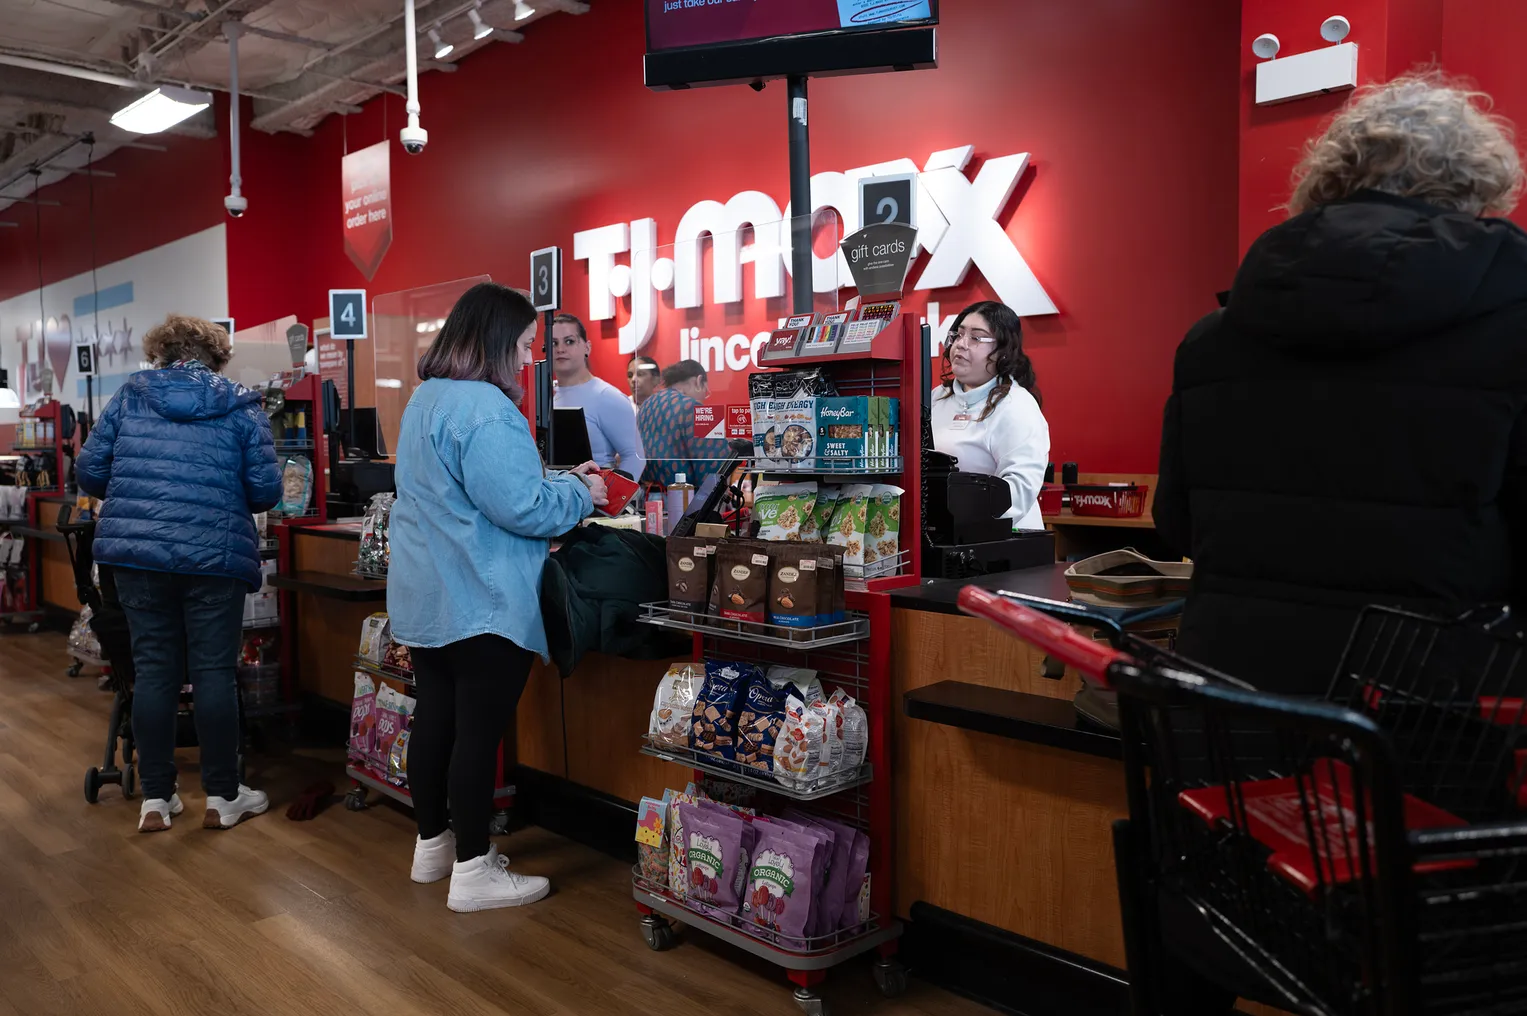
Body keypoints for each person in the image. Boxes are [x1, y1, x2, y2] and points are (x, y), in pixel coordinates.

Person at [1156, 73, 1527, 699]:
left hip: (1236, 704)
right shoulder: (1513, 330)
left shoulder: (1209, 342)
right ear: (1475, 184)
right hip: (1439, 718)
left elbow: (1178, 524)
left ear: (1328, 179)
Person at [389, 283, 608, 913]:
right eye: (521, 345)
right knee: (478, 736)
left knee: (434, 722)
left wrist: (554, 485)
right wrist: (581, 495)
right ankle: (474, 872)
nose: (524, 358)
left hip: (430, 593)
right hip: (482, 597)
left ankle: (434, 847)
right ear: (493, 340)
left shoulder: (425, 398)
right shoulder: (487, 408)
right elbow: (520, 506)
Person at [76, 314, 281, 834]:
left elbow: (90, 471)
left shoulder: (130, 396)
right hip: (214, 556)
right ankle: (222, 795)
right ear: (216, 355)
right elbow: (264, 491)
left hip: (139, 557)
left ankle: (157, 798)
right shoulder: (240, 404)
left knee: (154, 672)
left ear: (161, 353)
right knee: (212, 672)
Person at [929, 301, 1050, 530]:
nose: (961, 345)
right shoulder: (936, 397)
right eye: (959, 334)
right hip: (943, 533)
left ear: (1002, 352)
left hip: (1001, 539)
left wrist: (970, 524)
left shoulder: (1017, 406)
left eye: (976, 338)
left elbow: (1019, 488)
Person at [550, 314, 646, 480]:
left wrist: (610, 500)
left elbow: (634, 459)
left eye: (569, 341)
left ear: (587, 347)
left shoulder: (607, 397)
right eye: (554, 343)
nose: (560, 349)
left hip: (593, 500)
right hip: (554, 498)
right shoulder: (544, 396)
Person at [637, 359, 727, 488]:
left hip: (647, 498)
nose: (703, 399)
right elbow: (716, 470)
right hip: (685, 500)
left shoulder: (646, 405)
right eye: (705, 392)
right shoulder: (698, 409)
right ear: (698, 381)